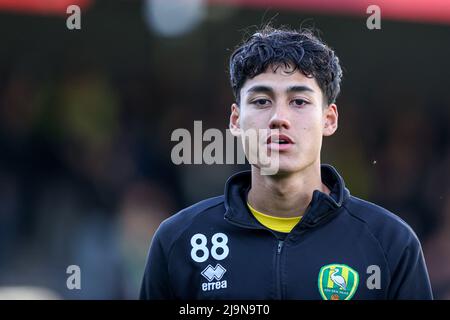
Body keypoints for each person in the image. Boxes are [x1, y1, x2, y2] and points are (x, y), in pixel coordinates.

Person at [139, 26, 433, 300]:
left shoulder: (390, 242)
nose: (279, 117)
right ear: (236, 120)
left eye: (299, 102)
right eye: (261, 101)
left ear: (329, 120)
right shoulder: (180, 240)